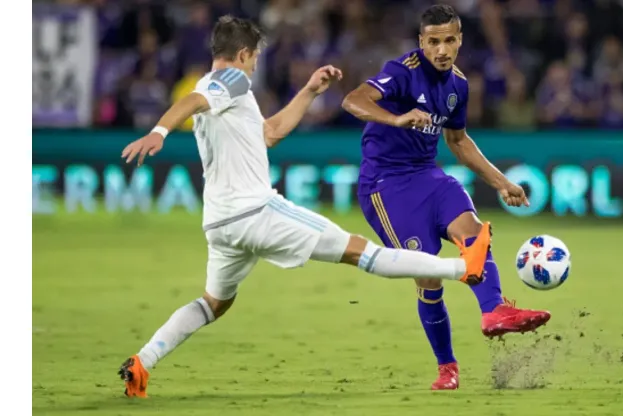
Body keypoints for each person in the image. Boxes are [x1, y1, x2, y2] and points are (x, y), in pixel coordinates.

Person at [117, 15, 493, 398]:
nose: (256, 65)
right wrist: (159, 131)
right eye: (256, 57)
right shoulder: (230, 80)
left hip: (220, 224)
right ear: (244, 53)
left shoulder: (228, 99)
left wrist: (310, 90)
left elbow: (270, 133)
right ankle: (465, 266)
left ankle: (143, 362)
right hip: (255, 212)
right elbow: (196, 99)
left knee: (214, 303)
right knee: (363, 252)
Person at [341, 4, 551, 391]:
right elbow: (352, 100)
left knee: (472, 229)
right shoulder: (402, 71)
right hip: (386, 187)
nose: (441, 49)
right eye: (433, 42)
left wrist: (500, 181)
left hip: (428, 176)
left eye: (449, 40)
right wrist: (396, 118)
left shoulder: (458, 85)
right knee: (428, 276)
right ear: (421, 42)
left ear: (459, 41)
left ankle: (494, 311)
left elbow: (457, 141)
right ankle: (447, 367)